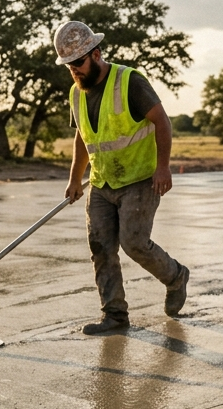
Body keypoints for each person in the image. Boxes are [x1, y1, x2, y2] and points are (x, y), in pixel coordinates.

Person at [57, 20, 190, 335]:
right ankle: (115, 316)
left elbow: (162, 121)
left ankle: (175, 277)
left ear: (97, 54)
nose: (74, 70)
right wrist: (75, 178)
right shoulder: (76, 94)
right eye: (68, 66)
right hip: (102, 182)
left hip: (141, 178)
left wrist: (163, 167)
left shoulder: (129, 81)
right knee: (101, 247)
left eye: (78, 63)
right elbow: (82, 137)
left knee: (134, 243)